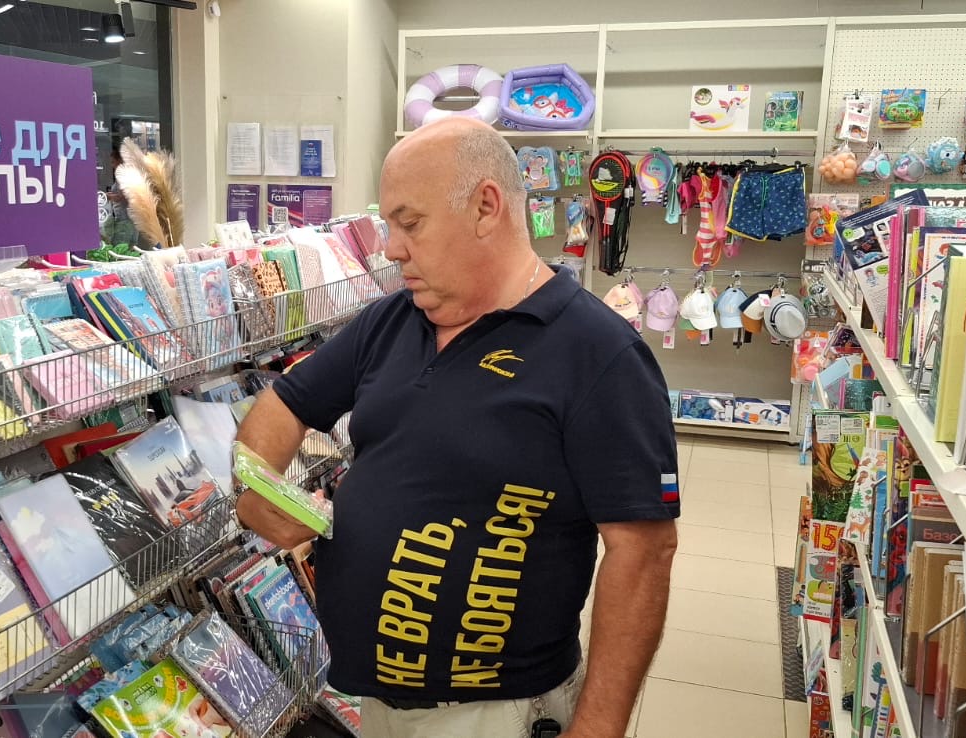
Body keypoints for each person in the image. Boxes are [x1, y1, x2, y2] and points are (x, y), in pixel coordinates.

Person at [235, 117, 680, 738]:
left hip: (496, 715)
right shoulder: (390, 321)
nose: (391, 249)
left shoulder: (598, 355)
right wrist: (254, 483)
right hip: (378, 706)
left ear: (485, 208)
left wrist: (598, 728)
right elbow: (284, 403)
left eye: (410, 223)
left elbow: (643, 552)